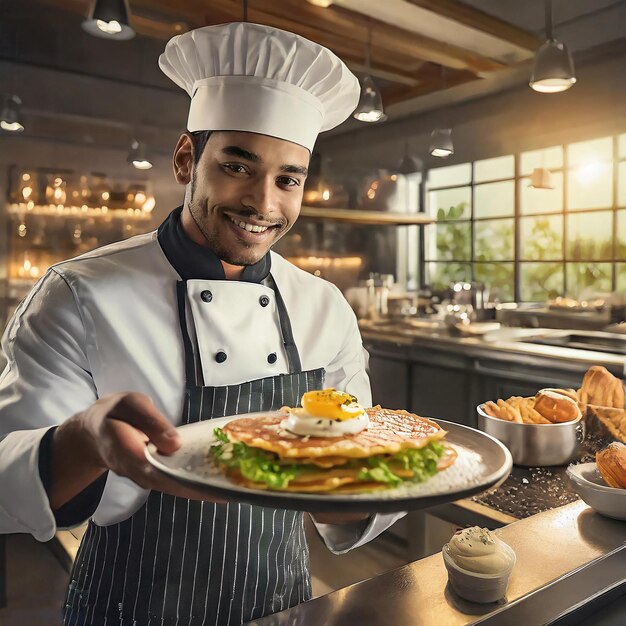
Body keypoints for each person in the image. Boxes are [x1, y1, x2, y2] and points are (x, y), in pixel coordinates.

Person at [0, 22, 404, 625]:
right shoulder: (79, 294)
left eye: (288, 179)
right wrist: (85, 438)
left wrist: (374, 473)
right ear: (187, 159)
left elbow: (353, 486)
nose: (264, 204)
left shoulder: (324, 307)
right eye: (238, 167)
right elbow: (8, 486)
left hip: (281, 604)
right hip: (126, 609)